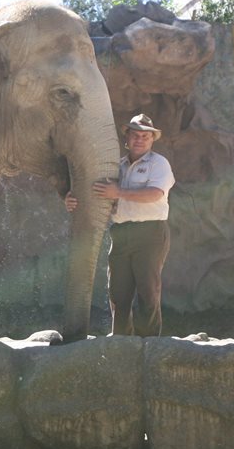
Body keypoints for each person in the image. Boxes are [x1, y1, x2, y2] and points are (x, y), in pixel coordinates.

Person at [66, 113, 175, 337]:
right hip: (121, 232)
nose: (140, 139)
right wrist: (70, 197)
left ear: (152, 139)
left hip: (150, 232)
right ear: (127, 138)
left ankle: (149, 344)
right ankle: (121, 342)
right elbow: (96, 189)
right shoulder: (118, 166)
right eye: (135, 135)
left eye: (146, 136)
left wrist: (119, 192)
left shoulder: (159, 163)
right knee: (118, 291)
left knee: (148, 289)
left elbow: (155, 194)